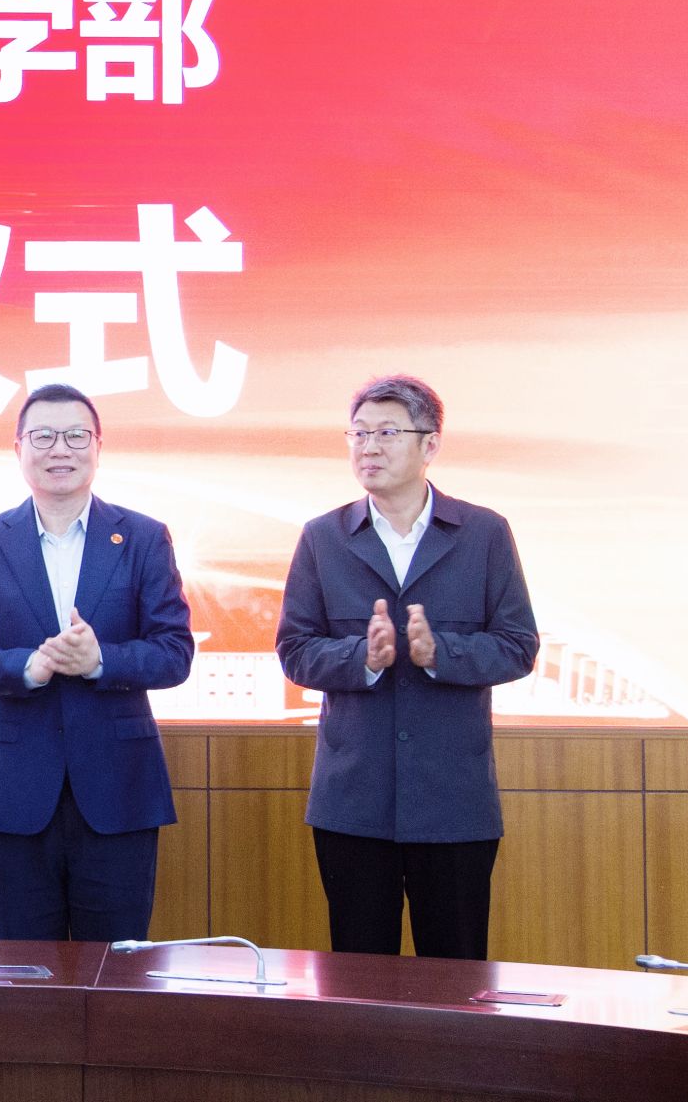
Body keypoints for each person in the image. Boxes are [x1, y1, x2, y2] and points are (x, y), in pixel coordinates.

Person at [275, 375, 539, 960]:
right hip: (353, 802)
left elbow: (518, 645)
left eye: (387, 433)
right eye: (359, 434)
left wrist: (439, 653)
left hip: (453, 801)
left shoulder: (483, 533)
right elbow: (295, 649)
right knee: (359, 977)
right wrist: (362, 659)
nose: (368, 447)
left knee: (455, 973)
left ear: (430, 444)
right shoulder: (323, 538)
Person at [0, 383, 195, 941]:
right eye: (44, 436)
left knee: (115, 966)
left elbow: (175, 653)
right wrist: (26, 668)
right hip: (16, 792)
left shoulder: (144, 537)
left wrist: (102, 660)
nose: (60, 449)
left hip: (119, 789)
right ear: (19, 449)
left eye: (76, 436)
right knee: (25, 968)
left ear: (98, 446)